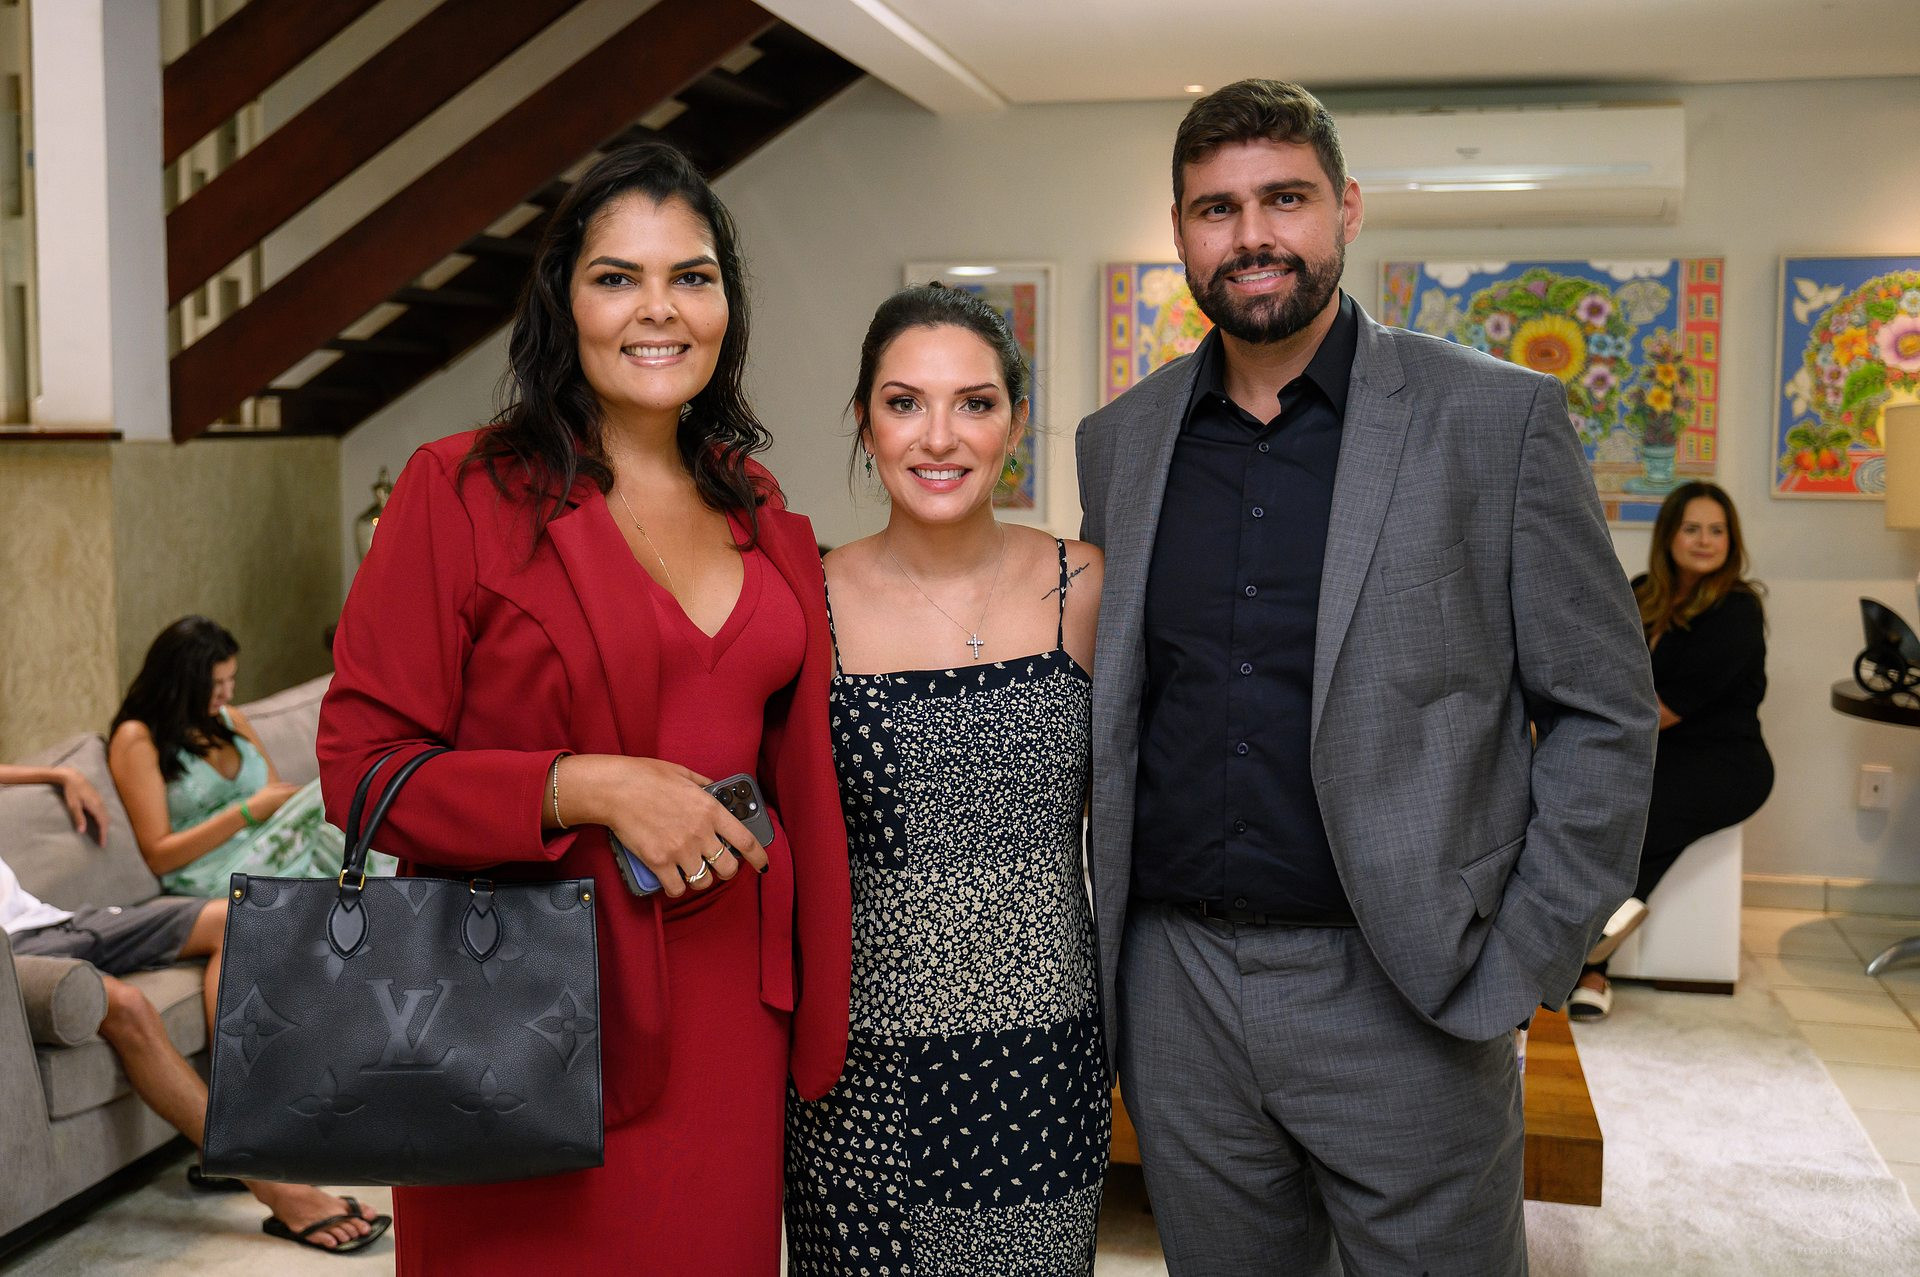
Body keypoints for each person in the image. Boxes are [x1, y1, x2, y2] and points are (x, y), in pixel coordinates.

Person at [1074, 79, 1658, 1275]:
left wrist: (1524, 958)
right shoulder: (1120, 442)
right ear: (1181, 229)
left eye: (1284, 199)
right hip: (1177, 990)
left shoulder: (1497, 420)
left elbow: (1604, 710)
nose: (1252, 236)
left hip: (1406, 985)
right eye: (1217, 208)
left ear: (1346, 208)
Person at [316, 141, 851, 1275]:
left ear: (726, 305)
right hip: (521, 1011)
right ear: (564, 301)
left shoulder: (754, 501)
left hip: (731, 1015)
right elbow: (360, 766)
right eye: (617, 277)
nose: (660, 309)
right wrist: (583, 785)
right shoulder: (461, 490)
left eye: (692, 276)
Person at [784, 286, 1108, 1274]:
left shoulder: (1086, 586)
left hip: (1042, 1062)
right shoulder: (804, 599)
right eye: (903, 402)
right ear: (864, 420)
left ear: (1015, 419)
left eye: (974, 402)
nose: (939, 436)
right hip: (860, 1073)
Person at [0, 764, 388, 1253]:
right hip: (14, 955)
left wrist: (60, 775)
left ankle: (242, 1124)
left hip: (53, 921)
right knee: (127, 1004)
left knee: (240, 918)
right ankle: (266, 1180)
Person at [1572, 482, 1772, 1020]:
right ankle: (1588, 952)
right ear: (1669, 536)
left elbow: (1661, 711)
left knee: (1626, 819)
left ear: (1731, 540)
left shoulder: (1737, 609)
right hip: (1653, 752)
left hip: (1724, 762)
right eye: (1692, 529)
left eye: (1717, 530)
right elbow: (1601, 671)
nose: (1705, 540)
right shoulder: (1642, 593)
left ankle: (1587, 964)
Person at [107, 617, 389, 897]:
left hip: (267, 842)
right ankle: (393, 904)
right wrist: (245, 813)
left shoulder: (230, 719)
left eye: (231, 679)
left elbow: (275, 799)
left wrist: (280, 806)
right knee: (331, 800)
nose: (227, 693)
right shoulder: (137, 738)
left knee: (353, 795)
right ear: (180, 683)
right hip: (212, 869)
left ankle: (382, 902)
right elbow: (159, 856)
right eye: (215, 683)